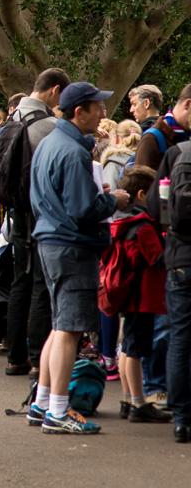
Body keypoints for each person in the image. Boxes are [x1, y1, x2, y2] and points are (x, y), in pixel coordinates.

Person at [25, 82, 130, 433]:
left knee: (59, 327)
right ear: (78, 111)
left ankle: (42, 404)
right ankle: (57, 411)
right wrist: (113, 200)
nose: (102, 113)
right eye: (96, 107)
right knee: (68, 329)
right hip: (71, 245)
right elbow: (83, 207)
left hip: (51, 240)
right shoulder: (71, 151)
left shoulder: (49, 143)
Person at [5, 68, 70, 377]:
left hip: (16, 213)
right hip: (40, 214)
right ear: (54, 91)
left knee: (20, 281)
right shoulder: (48, 126)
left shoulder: (11, 120)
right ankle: (36, 357)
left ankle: (15, 354)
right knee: (41, 285)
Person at [105, 166, 170, 422]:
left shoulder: (121, 221)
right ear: (142, 195)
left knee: (126, 347)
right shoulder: (142, 226)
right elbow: (156, 258)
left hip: (126, 292)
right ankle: (138, 402)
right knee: (134, 350)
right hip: (142, 295)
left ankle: (126, 397)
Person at [145, 99, 191, 444]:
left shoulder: (177, 154)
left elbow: (154, 204)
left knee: (179, 335)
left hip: (179, 254)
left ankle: (181, 416)